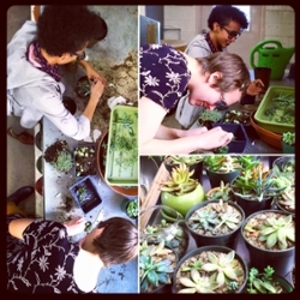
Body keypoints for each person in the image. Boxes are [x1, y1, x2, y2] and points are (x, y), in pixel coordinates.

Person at [7, 187, 138, 293]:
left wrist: (63, 229)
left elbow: (10, 226)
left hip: (8, 274)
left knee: (15, 221)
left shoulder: (54, 237)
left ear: (101, 230)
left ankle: (9, 205)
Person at [7, 6, 108, 145]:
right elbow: (80, 132)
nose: (80, 56)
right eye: (79, 53)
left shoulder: (33, 32)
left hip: (13, 74)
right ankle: (16, 132)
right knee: (26, 120)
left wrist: (87, 66)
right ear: (64, 56)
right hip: (20, 102)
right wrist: (95, 97)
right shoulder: (44, 94)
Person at [139, 43, 251, 155]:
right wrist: (199, 142)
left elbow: (142, 126)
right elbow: (137, 145)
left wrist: (179, 135)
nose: (211, 109)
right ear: (214, 78)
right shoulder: (174, 77)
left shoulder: (173, 58)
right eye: (220, 103)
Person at [175, 5, 264, 129]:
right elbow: (203, 89)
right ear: (217, 26)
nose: (233, 39)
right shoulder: (198, 50)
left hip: (207, 110)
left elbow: (223, 79)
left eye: (237, 35)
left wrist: (245, 87)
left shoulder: (220, 45)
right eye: (231, 34)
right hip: (194, 113)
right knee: (191, 137)